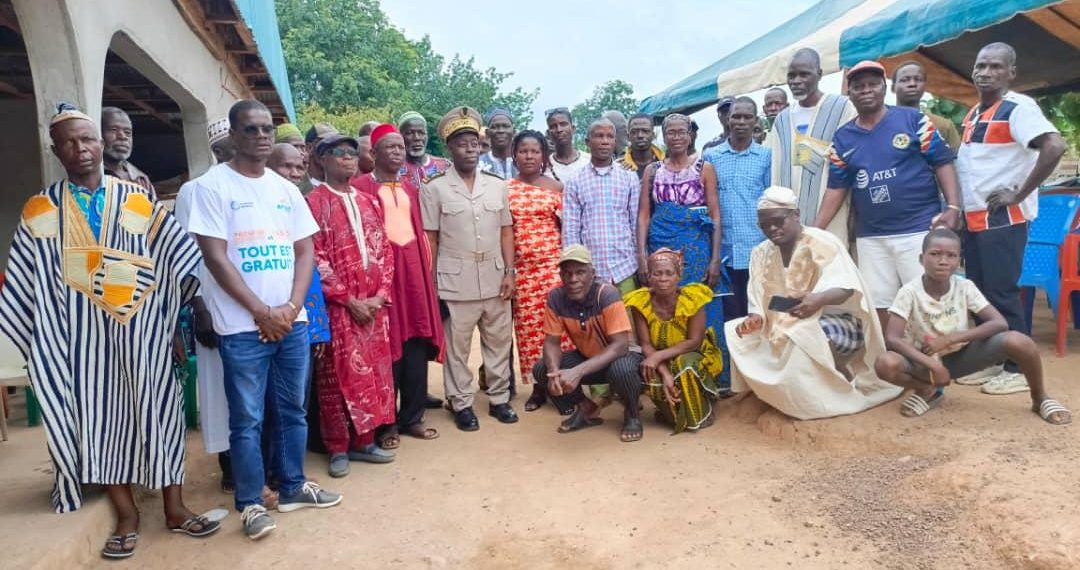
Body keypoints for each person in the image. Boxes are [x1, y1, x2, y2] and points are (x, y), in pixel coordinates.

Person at [0, 104, 219, 558]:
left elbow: (176, 259)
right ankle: (127, 515)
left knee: (160, 411)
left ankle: (175, 507)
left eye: (88, 139)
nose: (81, 149)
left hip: (143, 333)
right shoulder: (42, 209)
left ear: (101, 144)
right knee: (97, 419)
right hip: (75, 340)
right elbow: (27, 280)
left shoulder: (136, 199)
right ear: (57, 150)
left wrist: (189, 316)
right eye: (70, 142)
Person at [186, 100, 342, 541]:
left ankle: (292, 486)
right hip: (242, 328)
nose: (260, 136)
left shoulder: (285, 189)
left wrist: (291, 309)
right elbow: (214, 258)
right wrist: (261, 312)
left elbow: (304, 250)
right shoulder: (212, 187)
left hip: (289, 322)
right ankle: (252, 502)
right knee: (248, 419)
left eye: (266, 129)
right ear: (233, 135)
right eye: (250, 130)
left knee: (293, 410)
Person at [725, 187, 902, 420]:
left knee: (800, 336)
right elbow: (756, 295)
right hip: (779, 324)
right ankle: (770, 394)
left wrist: (818, 300)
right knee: (735, 333)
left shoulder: (823, 242)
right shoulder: (760, 252)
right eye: (764, 225)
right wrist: (755, 317)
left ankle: (816, 402)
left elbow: (846, 288)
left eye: (777, 221)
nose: (772, 229)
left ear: (796, 215)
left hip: (835, 322)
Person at [955, 42, 1067, 395]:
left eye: (995, 66)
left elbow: (1054, 146)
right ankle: (992, 360)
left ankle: (1017, 367)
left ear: (1011, 73)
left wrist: (1017, 194)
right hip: (974, 220)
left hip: (1003, 219)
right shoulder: (974, 113)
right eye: (980, 65)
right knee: (981, 295)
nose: (985, 72)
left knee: (1002, 294)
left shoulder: (1018, 108)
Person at [816, 60, 962, 329]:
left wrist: (953, 207)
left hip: (918, 229)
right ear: (850, 93)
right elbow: (837, 188)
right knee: (881, 303)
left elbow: (943, 162)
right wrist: (814, 230)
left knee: (926, 299)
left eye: (873, 84)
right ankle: (894, 360)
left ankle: (935, 360)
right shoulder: (842, 138)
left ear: (885, 88)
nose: (866, 90)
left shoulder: (914, 120)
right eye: (859, 86)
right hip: (871, 237)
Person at [875, 228, 1071, 425]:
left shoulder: (964, 287)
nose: (943, 261)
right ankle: (926, 388)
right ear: (921, 258)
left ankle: (1040, 398)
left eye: (951, 256)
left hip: (961, 358)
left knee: (1019, 341)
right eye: (935, 254)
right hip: (923, 362)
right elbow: (892, 338)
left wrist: (951, 339)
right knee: (886, 363)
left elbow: (999, 323)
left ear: (958, 261)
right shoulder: (909, 292)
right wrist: (933, 365)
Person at [421, 106, 519, 432]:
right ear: (449, 148)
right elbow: (430, 239)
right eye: (462, 143)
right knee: (457, 348)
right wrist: (431, 282)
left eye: (474, 143)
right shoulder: (433, 188)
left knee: (499, 342)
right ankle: (460, 402)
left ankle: (499, 398)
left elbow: (507, 230)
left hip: (494, 276)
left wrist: (510, 271)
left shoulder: (497, 185)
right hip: (454, 280)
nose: (470, 149)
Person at [305, 133, 397, 477]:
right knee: (336, 378)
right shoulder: (313, 202)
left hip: (374, 308)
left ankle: (365, 442)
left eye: (351, 153)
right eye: (338, 153)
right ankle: (338, 448)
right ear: (323, 160)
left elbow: (385, 251)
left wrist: (378, 296)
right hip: (339, 309)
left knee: (373, 374)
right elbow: (316, 258)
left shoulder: (368, 201)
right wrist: (348, 299)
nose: (347, 158)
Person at [353, 124, 444, 445]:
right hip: (381, 281)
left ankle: (413, 417)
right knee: (385, 350)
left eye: (400, 147)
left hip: (414, 278)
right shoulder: (359, 187)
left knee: (416, 344)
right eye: (389, 147)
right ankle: (386, 423)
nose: (397, 151)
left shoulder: (411, 189)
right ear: (373, 153)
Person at [637, 113, 728, 391]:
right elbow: (643, 215)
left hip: (697, 248)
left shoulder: (704, 168)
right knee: (666, 306)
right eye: (671, 132)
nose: (676, 137)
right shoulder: (652, 171)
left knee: (699, 304)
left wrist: (715, 259)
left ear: (690, 135)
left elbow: (715, 215)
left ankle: (709, 378)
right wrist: (641, 255)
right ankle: (670, 374)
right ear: (663, 136)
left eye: (682, 132)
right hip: (661, 246)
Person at [533, 245, 645, 442]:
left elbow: (620, 346)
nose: (573, 279)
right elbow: (551, 343)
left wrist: (577, 371)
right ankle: (586, 408)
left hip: (622, 357)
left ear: (592, 274)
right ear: (561, 276)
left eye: (580, 272)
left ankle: (632, 413)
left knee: (622, 370)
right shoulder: (556, 298)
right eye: (567, 274)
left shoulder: (606, 294)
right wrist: (553, 373)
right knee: (542, 369)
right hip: (590, 359)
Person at [266, 142, 333, 459]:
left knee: (296, 400)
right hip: (264, 318)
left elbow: (311, 272)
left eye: (298, 167)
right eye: (286, 167)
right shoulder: (259, 205)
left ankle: (290, 470)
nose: (293, 173)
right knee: (266, 405)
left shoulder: (298, 204)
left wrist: (317, 328)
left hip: (300, 318)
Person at [506, 130, 574, 413]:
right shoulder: (505, 189)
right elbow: (505, 231)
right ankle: (537, 388)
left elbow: (565, 228)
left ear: (544, 156)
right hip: (522, 273)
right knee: (529, 333)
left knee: (558, 330)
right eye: (523, 151)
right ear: (515, 155)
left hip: (551, 271)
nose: (529, 156)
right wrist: (509, 270)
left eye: (535, 151)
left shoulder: (557, 188)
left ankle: (564, 386)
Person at [625, 249, 724, 433]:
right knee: (648, 371)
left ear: (678, 276)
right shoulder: (640, 302)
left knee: (683, 364)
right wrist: (664, 372)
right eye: (657, 273)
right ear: (649, 277)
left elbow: (694, 341)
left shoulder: (692, 299)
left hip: (693, 354)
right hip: (659, 357)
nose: (663, 279)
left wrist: (658, 357)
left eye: (669, 273)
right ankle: (670, 412)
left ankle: (702, 412)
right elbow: (646, 345)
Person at [766, 48, 857, 245]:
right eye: (792, 75)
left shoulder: (842, 108)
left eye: (804, 74)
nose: (796, 81)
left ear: (820, 74)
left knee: (830, 270)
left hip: (831, 220)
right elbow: (776, 172)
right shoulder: (782, 120)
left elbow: (849, 167)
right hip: (789, 224)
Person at [702, 97, 772, 320]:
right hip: (724, 253)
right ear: (727, 120)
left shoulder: (766, 156)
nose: (741, 122)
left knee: (758, 313)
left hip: (757, 250)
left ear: (756, 121)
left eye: (747, 117)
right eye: (736, 117)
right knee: (731, 318)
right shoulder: (711, 157)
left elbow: (771, 203)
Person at [564, 118, 640, 295]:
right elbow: (571, 230)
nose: (604, 141)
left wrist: (638, 260)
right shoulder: (575, 181)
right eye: (599, 136)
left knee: (626, 320)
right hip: (591, 270)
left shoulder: (629, 177)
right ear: (587, 141)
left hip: (625, 267)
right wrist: (575, 268)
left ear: (615, 141)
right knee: (594, 321)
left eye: (609, 136)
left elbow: (635, 223)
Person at [891, 61, 962, 151]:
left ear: (925, 86)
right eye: (905, 80)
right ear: (893, 87)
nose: (912, 84)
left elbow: (956, 160)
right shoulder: (880, 123)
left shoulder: (943, 125)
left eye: (918, 79)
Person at [101, 106, 154, 195]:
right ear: (99, 133)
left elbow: (153, 208)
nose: (122, 136)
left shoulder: (141, 179)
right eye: (113, 130)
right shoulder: (90, 175)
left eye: (127, 132)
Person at [399, 111, 450, 185]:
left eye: (421, 133)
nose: (417, 138)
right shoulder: (392, 168)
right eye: (409, 133)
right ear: (400, 136)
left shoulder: (445, 166)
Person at [546, 108, 591, 181]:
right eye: (553, 126)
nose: (559, 130)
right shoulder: (544, 167)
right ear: (548, 134)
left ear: (573, 129)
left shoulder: (589, 161)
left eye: (563, 124)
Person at [617, 113, 664, 179]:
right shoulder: (618, 167)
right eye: (634, 132)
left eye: (645, 131)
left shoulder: (666, 163)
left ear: (653, 135)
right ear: (628, 136)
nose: (640, 135)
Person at [479, 108, 517, 179]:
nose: (501, 131)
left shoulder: (524, 162)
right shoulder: (478, 164)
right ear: (487, 133)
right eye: (495, 127)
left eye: (505, 126)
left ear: (514, 132)